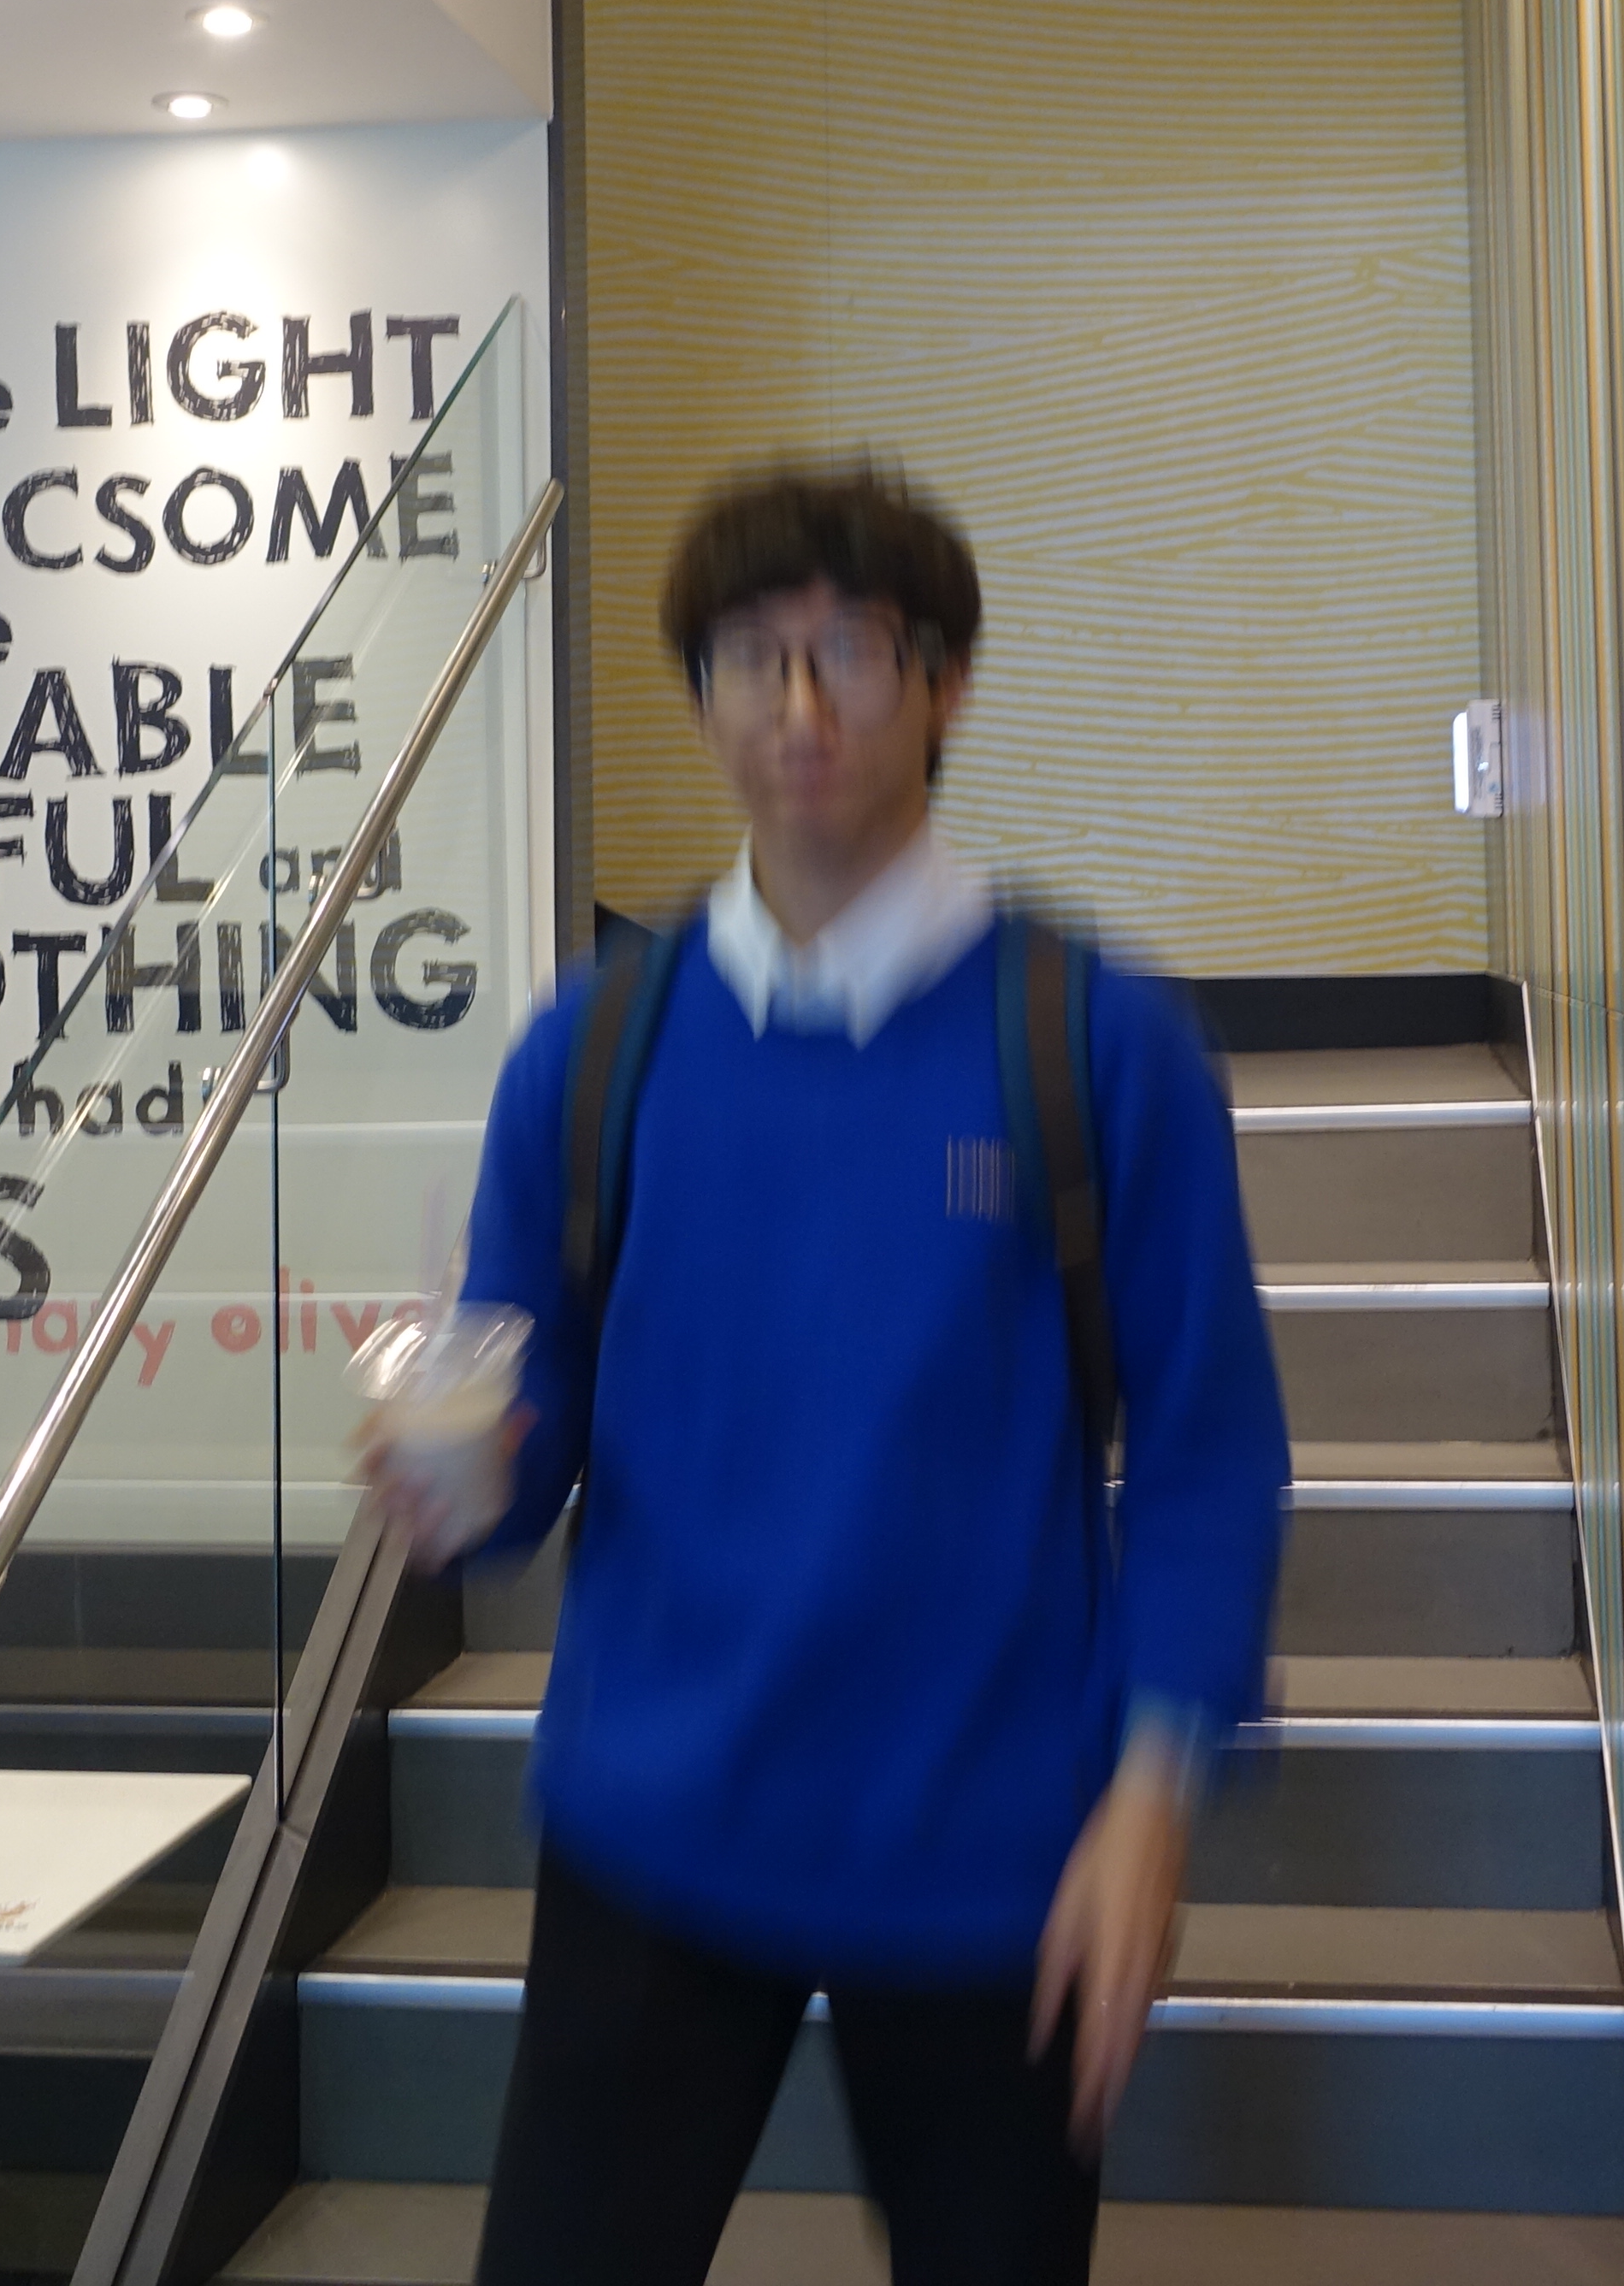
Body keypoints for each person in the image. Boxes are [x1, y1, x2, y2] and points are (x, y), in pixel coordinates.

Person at [364, 463, 1292, 2286]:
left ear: (944, 684)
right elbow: (526, 1446)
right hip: (653, 1824)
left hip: (993, 1853)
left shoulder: (1095, 1042)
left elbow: (1205, 1450)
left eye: (851, 651)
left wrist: (1152, 1800)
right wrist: (456, 1482)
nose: (797, 706)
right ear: (701, 695)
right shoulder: (596, 1048)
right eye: (748, 656)